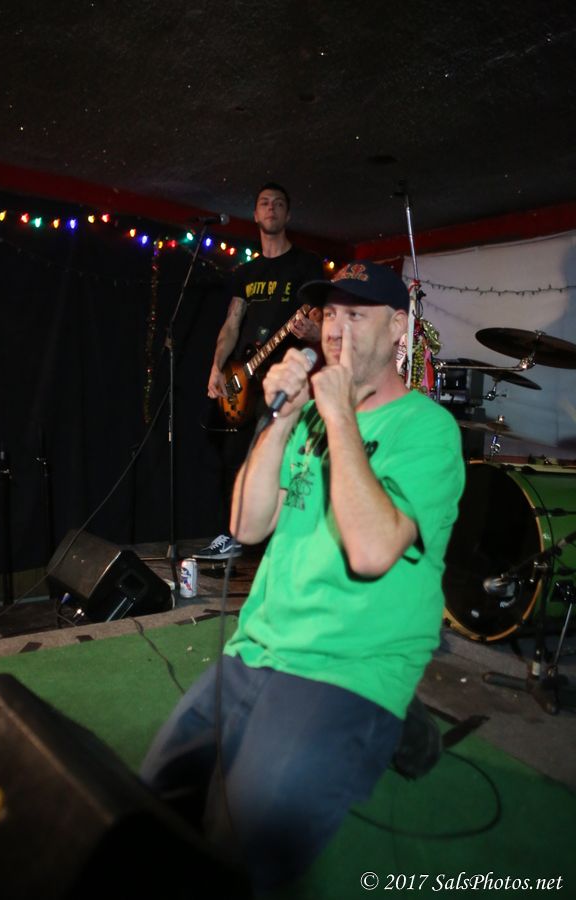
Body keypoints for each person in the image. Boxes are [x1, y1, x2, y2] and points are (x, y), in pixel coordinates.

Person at [141, 261, 465, 892]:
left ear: (398, 328)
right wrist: (285, 419)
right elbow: (246, 523)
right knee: (151, 809)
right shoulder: (309, 415)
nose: (337, 331)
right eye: (331, 314)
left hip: (347, 667)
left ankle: (393, 724)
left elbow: (371, 552)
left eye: (357, 315)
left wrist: (339, 415)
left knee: (241, 852)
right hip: (256, 651)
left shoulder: (427, 430)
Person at [195, 181, 324, 560]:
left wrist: (314, 331)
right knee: (234, 457)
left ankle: (286, 541)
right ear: (254, 214)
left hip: (286, 380)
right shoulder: (245, 273)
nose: (271, 208)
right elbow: (232, 324)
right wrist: (216, 367)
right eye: (264, 203)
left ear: (288, 214)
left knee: (285, 456)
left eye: (278, 203)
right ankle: (231, 534)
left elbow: (321, 315)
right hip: (244, 378)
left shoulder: (306, 264)